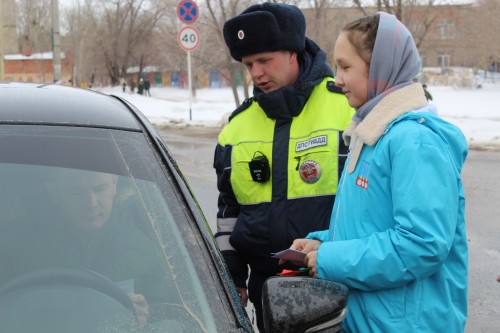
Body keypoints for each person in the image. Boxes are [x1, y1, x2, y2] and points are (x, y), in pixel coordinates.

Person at [282, 12, 468, 332]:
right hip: (372, 319)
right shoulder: (371, 133)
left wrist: (331, 259)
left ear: (380, 68)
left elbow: (422, 243)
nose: (336, 79)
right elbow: (372, 227)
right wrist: (322, 245)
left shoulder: (414, 141)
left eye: (346, 66)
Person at [213, 3, 354, 332]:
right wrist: (233, 275)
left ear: (293, 52)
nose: (256, 73)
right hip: (267, 289)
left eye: (265, 60)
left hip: (336, 283)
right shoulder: (236, 128)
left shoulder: (346, 109)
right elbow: (227, 214)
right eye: (249, 64)